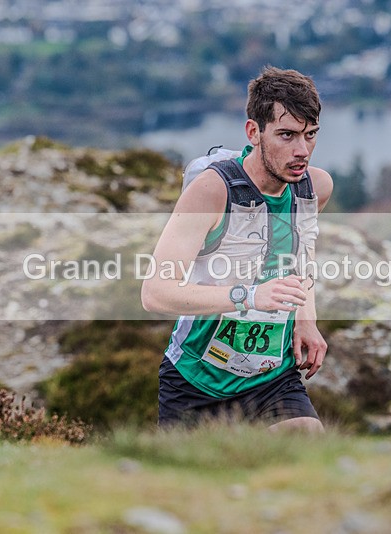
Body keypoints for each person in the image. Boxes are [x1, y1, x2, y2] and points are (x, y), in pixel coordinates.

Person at [141, 66, 333, 431]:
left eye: (310, 135)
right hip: (196, 381)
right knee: (196, 472)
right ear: (253, 132)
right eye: (287, 135)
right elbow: (155, 293)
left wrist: (306, 318)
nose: (302, 151)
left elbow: (300, 255)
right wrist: (251, 296)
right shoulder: (211, 192)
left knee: (307, 440)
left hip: (272, 376)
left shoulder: (314, 189)